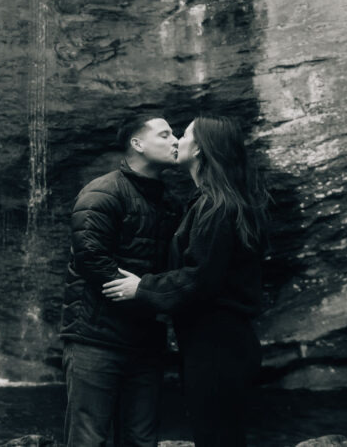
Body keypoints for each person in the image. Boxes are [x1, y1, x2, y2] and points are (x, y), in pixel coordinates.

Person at [102, 115, 268, 447]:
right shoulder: (212, 201)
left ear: (202, 150)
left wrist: (142, 287)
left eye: (186, 134)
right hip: (218, 342)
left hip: (218, 345)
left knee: (217, 437)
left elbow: (200, 278)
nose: (178, 140)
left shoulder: (216, 207)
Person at [59, 113, 179, 447]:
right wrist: (145, 293)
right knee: (88, 439)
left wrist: (153, 293)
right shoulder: (103, 192)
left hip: (145, 341)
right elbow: (91, 257)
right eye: (166, 134)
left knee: (141, 440)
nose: (176, 141)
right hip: (95, 340)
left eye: (177, 135)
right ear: (137, 144)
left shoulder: (170, 203)